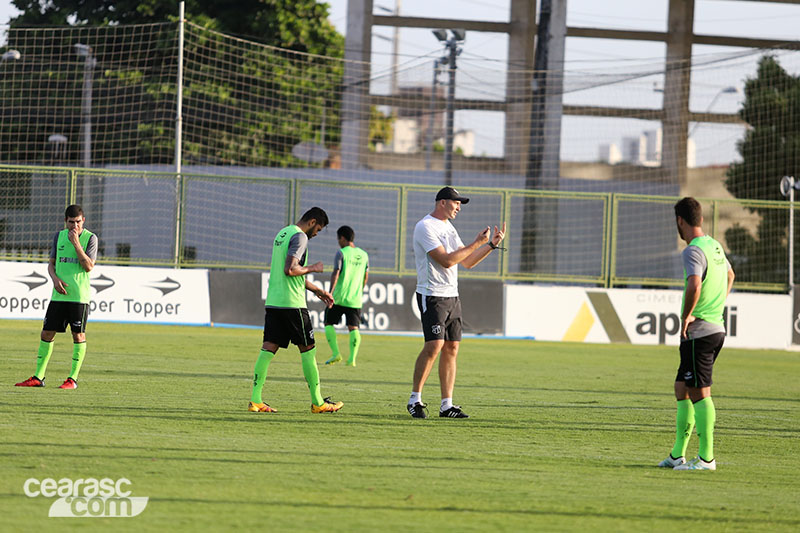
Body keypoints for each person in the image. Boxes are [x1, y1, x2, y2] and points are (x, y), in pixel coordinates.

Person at [407, 186, 506, 419]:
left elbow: (468, 262)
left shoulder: (448, 227)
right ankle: (415, 399)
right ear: (442, 202)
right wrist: (476, 243)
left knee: (452, 348)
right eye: (456, 202)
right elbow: (447, 261)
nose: (459, 207)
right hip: (432, 294)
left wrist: (490, 245)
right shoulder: (425, 227)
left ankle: (446, 405)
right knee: (434, 346)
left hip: (452, 296)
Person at [658, 197, 734, 470]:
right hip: (715, 328)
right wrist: (717, 305)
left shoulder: (691, 250)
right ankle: (677, 454)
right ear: (700, 219)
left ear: (680, 221)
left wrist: (687, 315)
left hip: (700, 331)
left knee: (700, 392)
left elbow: (694, 285)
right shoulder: (714, 246)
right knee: (682, 388)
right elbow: (730, 275)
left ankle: (706, 459)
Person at [248, 206, 344, 414]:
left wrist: (318, 290)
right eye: (318, 229)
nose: (316, 234)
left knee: (268, 348)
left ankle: (256, 400)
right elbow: (291, 269)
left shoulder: (283, 233)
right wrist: (313, 268)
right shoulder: (300, 237)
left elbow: (288, 273)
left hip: (275, 302)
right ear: (312, 222)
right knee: (308, 349)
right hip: (293, 305)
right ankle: (318, 402)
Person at [15, 204, 98, 390]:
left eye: (78, 222)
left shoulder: (90, 238)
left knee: (78, 335)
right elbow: (51, 264)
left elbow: (88, 266)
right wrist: (54, 279)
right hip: (58, 296)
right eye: (71, 222)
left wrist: (76, 243)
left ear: (83, 220)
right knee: (46, 333)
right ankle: (38, 377)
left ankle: (72, 379)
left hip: (79, 297)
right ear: (65, 221)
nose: (74, 226)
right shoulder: (58, 236)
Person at [324, 225, 369, 367]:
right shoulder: (364, 255)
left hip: (338, 297)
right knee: (354, 328)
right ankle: (352, 359)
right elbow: (366, 276)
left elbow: (336, 272)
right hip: (355, 299)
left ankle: (336, 353)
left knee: (328, 323)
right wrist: (359, 290)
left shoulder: (341, 253)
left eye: (338, 239)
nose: (338, 242)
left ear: (342, 238)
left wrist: (330, 292)